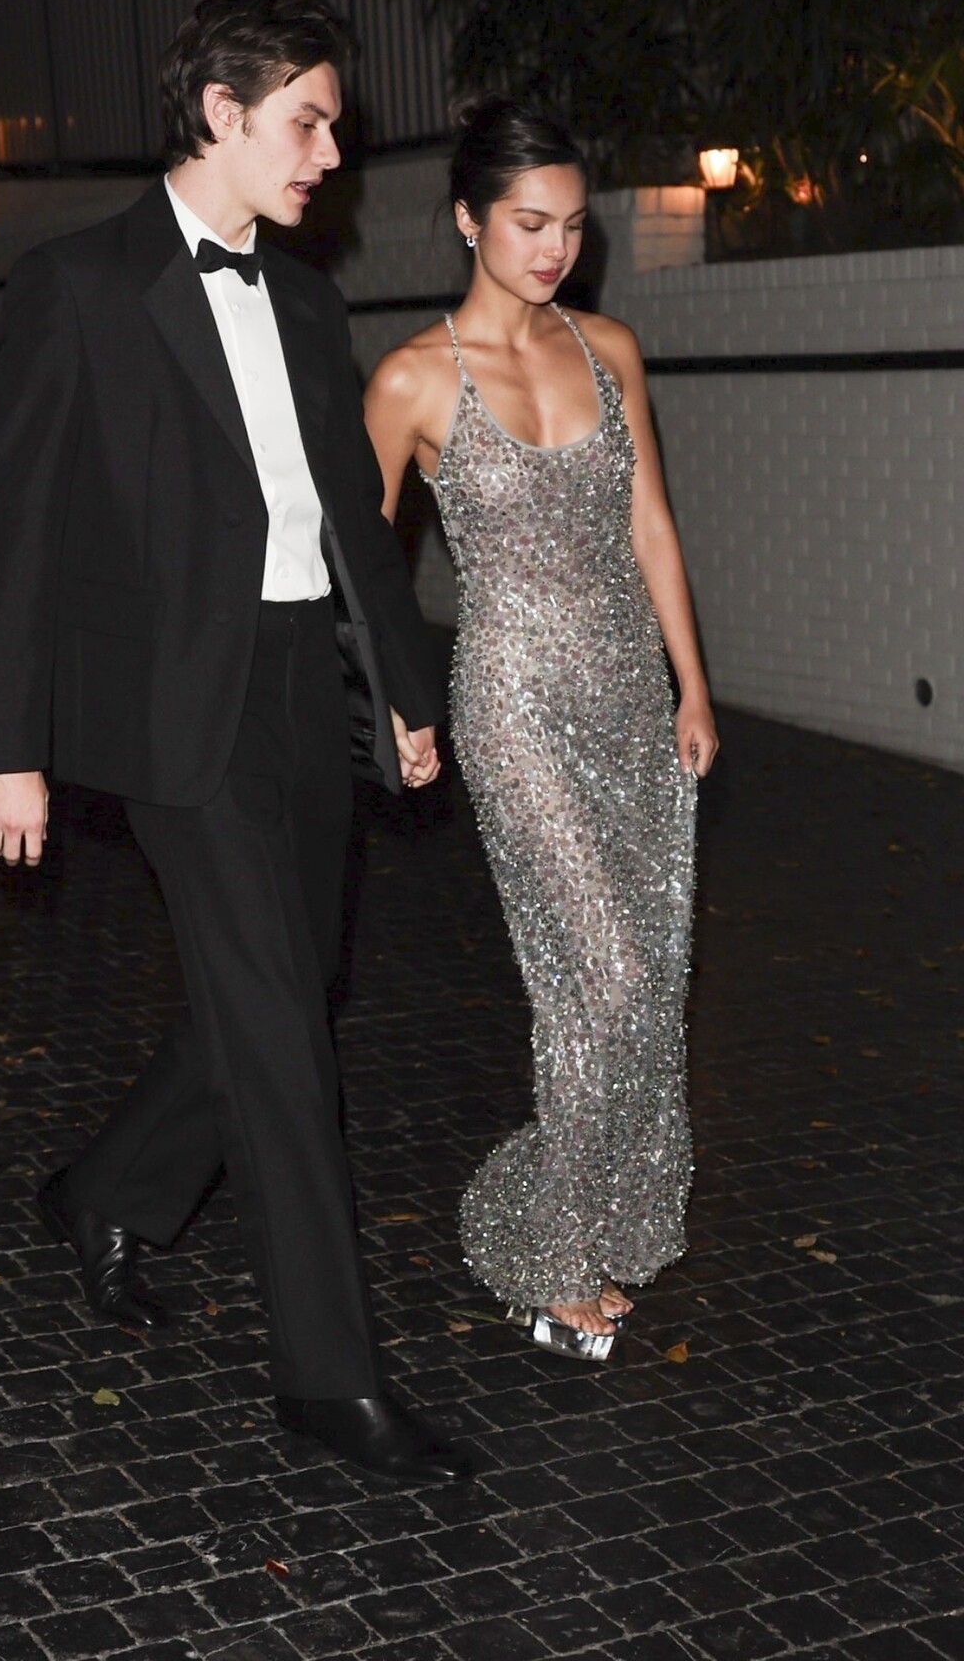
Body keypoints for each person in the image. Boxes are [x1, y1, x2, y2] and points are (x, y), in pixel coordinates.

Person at [0, 0, 472, 1482]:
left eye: (333, 125)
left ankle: (109, 1191)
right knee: (283, 1043)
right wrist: (5, 744)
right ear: (220, 112)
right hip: (173, 707)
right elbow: (16, 531)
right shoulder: (79, 286)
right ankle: (328, 1378)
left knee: (292, 990)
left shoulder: (303, 299)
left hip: (304, 684)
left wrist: (405, 691)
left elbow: (352, 519)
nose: (331, 155)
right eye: (306, 123)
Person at [363, 98, 718, 1361]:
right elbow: (362, 565)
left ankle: (591, 1218)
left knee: (645, 981)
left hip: (628, 694)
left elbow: (650, 524)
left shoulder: (608, 346)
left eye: (570, 224)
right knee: (598, 977)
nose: (553, 247)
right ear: (466, 219)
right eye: (526, 223)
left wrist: (690, 684)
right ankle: (535, 1240)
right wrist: (395, 703)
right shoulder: (410, 378)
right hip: (512, 703)